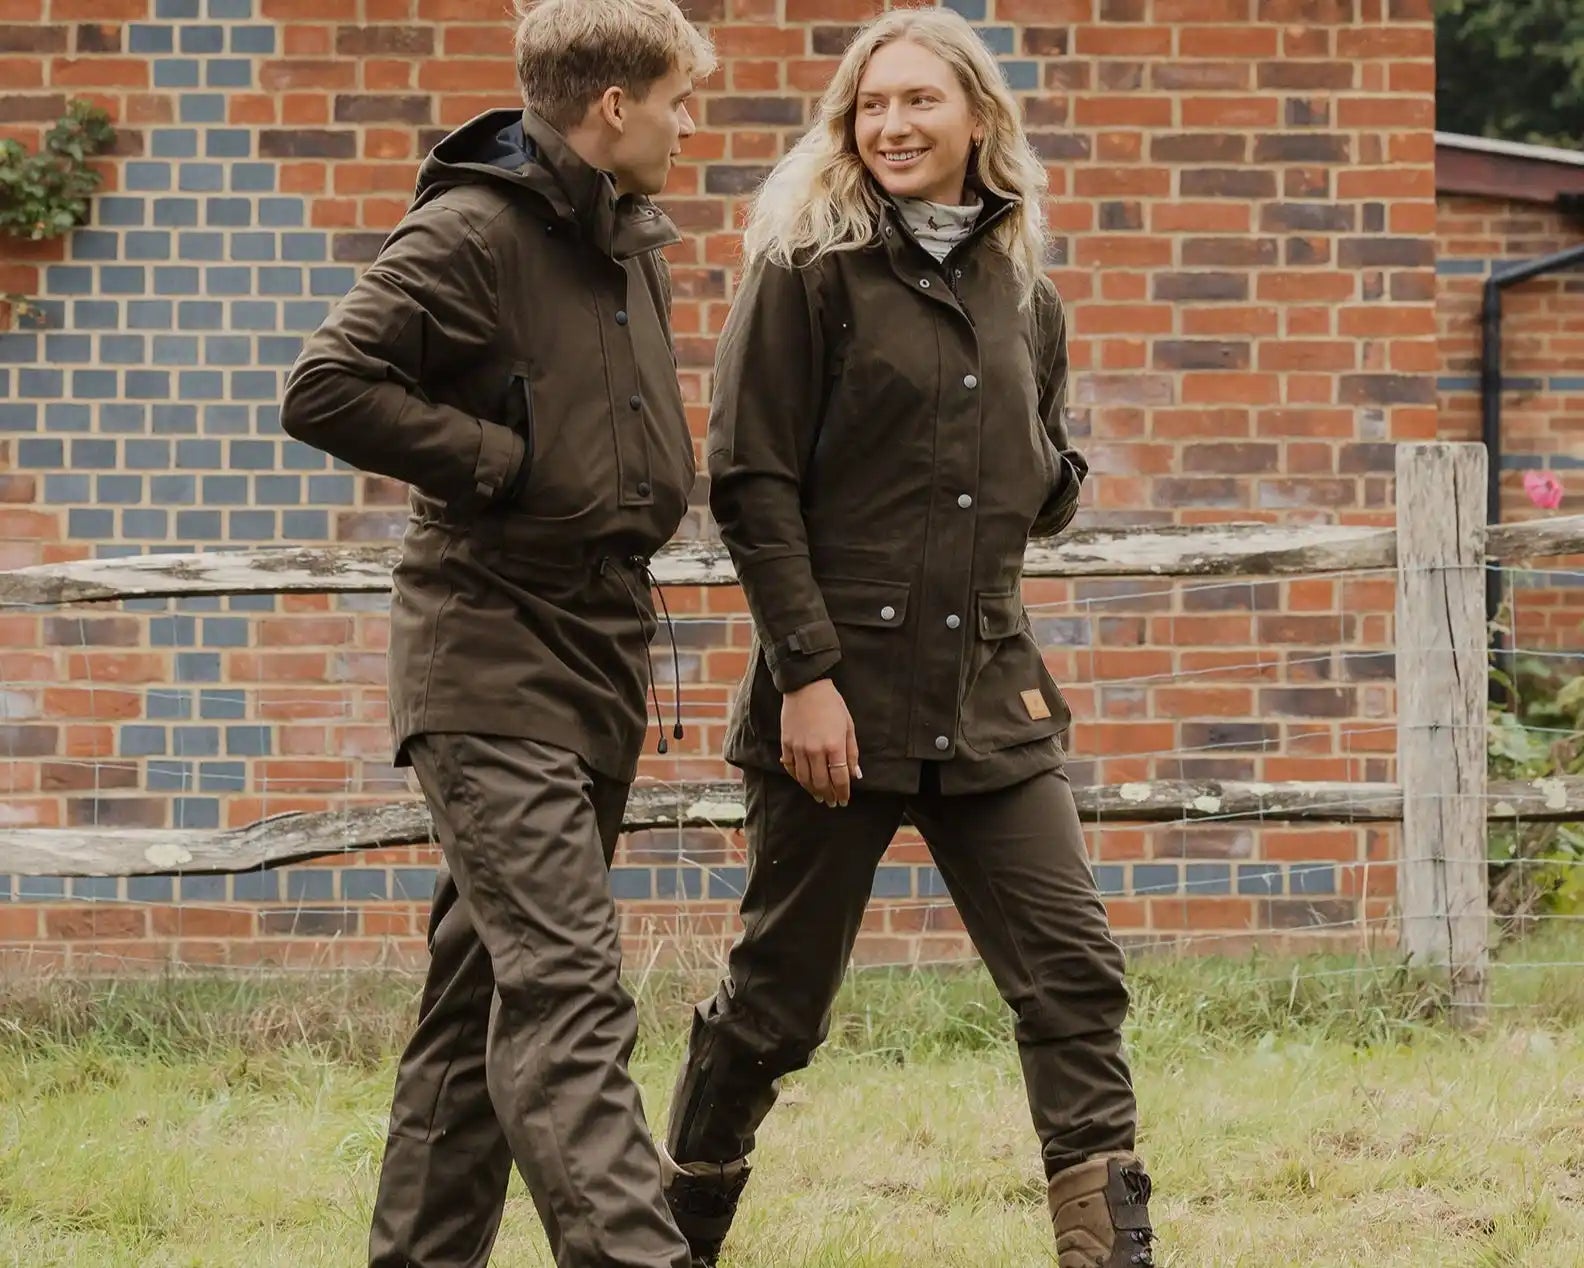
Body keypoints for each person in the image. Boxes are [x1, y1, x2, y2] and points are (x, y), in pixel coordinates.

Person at [656, 10, 1156, 1268]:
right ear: (848, 122)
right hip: (843, 699)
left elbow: (1040, 469)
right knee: (776, 1008)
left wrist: (1049, 470)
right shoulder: (805, 268)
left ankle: (1111, 1253)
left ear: (976, 117)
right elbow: (752, 483)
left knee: (1074, 977)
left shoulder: (1021, 287)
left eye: (920, 102)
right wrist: (808, 680)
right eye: (872, 105)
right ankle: (672, 1236)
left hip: (992, 692)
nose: (893, 125)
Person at [279, 2, 714, 1265]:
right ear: (615, 107)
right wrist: (495, 460)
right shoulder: (470, 230)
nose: (690, 126)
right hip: (488, 657)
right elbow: (325, 384)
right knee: (571, 993)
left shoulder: (631, 242)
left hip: (599, 654)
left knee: (478, 999)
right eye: (679, 101)